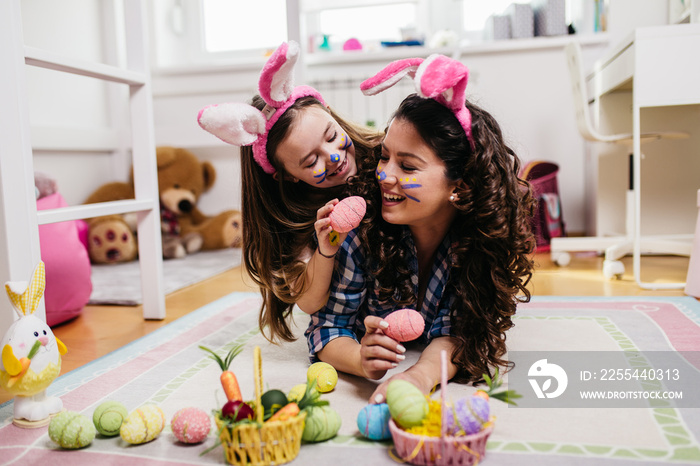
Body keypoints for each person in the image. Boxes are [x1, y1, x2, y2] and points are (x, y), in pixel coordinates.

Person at [305, 54, 535, 403]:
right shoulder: (359, 233)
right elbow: (328, 326)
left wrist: (419, 377)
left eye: (408, 166)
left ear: (460, 186)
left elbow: (462, 331)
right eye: (384, 157)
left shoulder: (478, 242)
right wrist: (360, 359)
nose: (385, 176)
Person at [198, 41, 382, 341]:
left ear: (332, 115)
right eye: (311, 161)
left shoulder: (385, 156)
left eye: (332, 136)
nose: (334, 156)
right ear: (288, 177)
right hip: (356, 319)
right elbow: (310, 302)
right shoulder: (297, 225)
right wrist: (326, 248)